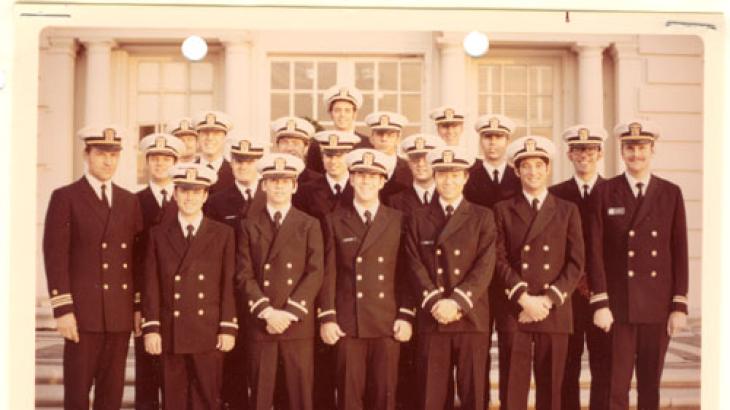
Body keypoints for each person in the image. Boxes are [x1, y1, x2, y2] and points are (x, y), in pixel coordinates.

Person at [587, 120, 689, 410]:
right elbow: (595, 252)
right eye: (630, 148)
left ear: (653, 150)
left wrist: (679, 304)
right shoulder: (605, 192)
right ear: (621, 151)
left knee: (649, 386)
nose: (636, 154)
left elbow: (679, 250)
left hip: (657, 307)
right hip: (617, 307)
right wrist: (600, 301)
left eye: (642, 147)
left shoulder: (671, 193)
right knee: (614, 387)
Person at [43, 125, 143, 410]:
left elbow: (136, 260)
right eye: (101, 153)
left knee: (111, 395)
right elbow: (55, 255)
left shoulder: (129, 200)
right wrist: (63, 309)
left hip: (118, 314)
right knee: (77, 394)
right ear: (86, 155)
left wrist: (136, 307)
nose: (108, 161)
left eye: (114, 154)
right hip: (82, 316)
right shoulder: (66, 197)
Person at [318, 148, 414, 409]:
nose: (366, 182)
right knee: (349, 398)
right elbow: (328, 273)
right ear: (351, 179)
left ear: (383, 182)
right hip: (348, 323)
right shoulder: (333, 220)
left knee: (384, 397)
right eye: (360, 175)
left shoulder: (398, 220)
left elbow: (406, 273)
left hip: (387, 323)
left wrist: (406, 315)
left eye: (373, 177)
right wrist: (327, 316)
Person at [494, 136, 584, 410]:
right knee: (513, 388)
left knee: (553, 389)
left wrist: (547, 300)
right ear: (517, 171)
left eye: (538, 165)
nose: (532, 172)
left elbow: (576, 261)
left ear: (548, 169)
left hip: (553, 309)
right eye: (526, 166)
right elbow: (498, 259)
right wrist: (524, 298)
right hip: (516, 307)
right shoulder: (503, 209)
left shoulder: (567, 210)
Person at [404, 145, 497, 410]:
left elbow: (484, 265)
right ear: (434, 176)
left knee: (474, 395)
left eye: (455, 174)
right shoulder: (417, 217)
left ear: (466, 177)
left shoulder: (482, 217)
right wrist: (436, 301)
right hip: (432, 316)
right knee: (431, 397)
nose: (449, 180)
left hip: (470, 315)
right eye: (443, 174)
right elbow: (413, 263)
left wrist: (456, 302)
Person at [141, 163, 238, 410]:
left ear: (206, 196)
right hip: (171, 332)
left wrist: (228, 327)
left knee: (207, 398)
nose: (189, 198)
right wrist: (151, 327)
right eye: (184, 191)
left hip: (208, 331)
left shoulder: (223, 233)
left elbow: (227, 284)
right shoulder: (158, 234)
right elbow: (151, 285)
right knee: (173, 401)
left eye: (196, 192)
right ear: (175, 194)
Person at [238, 153, 324, 410]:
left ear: (295, 186)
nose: (278, 186)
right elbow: (243, 273)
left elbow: (315, 271)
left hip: (296, 323)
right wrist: (266, 311)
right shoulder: (248, 225)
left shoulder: (309, 224)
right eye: (273, 180)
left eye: (285, 181)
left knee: (298, 398)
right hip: (262, 322)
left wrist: (289, 312)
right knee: (261, 399)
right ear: (263, 184)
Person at [549, 125, 611, 410]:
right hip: (567, 295)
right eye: (577, 150)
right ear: (568, 154)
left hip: (604, 296)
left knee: (604, 366)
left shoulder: (614, 191)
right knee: (566, 367)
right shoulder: (556, 194)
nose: (584, 155)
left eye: (590, 150)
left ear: (600, 153)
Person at [204, 133, 266, 410]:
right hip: (231, 293)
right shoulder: (217, 202)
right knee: (233, 369)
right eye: (238, 161)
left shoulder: (273, 195)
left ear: (259, 163)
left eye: (250, 161)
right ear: (231, 162)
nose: (243, 166)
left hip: (265, 293)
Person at [463, 113, 521, 409]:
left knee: (512, 347)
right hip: (475, 278)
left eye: (499, 137)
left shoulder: (519, 176)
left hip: (510, 276)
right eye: (488, 137)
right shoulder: (466, 174)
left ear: (507, 141)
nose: (493, 143)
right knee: (476, 350)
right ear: (480, 140)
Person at [134, 132, 186, 410]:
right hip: (148, 300)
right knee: (147, 373)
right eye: (154, 159)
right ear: (146, 163)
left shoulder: (188, 198)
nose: (160, 164)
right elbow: (131, 259)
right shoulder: (133, 201)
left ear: (176, 163)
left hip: (183, 302)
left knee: (177, 376)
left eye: (167, 159)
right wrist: (137, 305)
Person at [294, 130, 360, 221]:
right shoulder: (305, 192)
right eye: (329, 156)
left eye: (339, 156)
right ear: (322, 158)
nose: (333, 162)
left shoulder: (361, 189)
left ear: (349, 158)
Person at [306, 84, 371, 174]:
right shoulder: (317, 145)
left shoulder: (367, 145)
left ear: (355, 114)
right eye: (337, 110)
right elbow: (312, 177)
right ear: (330, 113)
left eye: (347, 110)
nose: (342, 115)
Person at [386, 133, 444, 215]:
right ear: (409, 163)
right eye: (415, 158)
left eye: (426, 158)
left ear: (434, 162)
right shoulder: (395, 201)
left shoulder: (446, 196)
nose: (420, 164)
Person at [363, 111, 412, 202]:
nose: (384, 139)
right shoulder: (361, 169)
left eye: (390, 135)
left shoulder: (409, 169)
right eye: (379, 134)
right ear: (372, 138)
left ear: (398, 138)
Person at [271, 116, 321, 186]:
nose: (290, 148)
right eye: (285, 142)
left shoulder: (319, 183)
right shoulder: (269, 180)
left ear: (306, 147)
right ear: (277, 146)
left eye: (295, 143)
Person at [193, 110, 235, 194]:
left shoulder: (235, 173)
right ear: (198, 137)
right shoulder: (188, 171)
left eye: (216, 133)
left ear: (225, 138)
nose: (210, 138)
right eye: (205, 133)